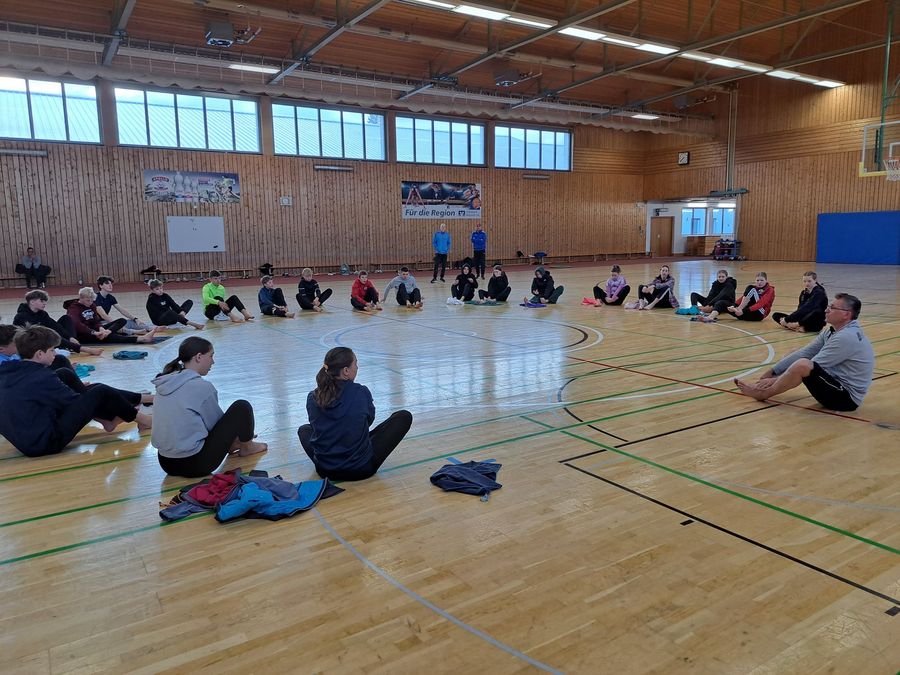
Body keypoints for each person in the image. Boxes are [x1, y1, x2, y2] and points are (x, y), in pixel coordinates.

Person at [0, 326, 152, 457]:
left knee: (65, 374)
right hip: (45, 444)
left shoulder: (8, 370)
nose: (55, 354)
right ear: (39, 354)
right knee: (101, 391)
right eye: (52, 350)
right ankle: (144, 421)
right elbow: (74, 403)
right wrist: (101, 401)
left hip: (25, 438)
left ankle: (107, 421)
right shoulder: (41, 377)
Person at [734, 293, 873, 411]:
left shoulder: (846, 337)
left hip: (845, 399)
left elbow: (813, 365)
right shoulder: (832, 331)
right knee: (794, 354)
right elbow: (805, 353)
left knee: (803, 365)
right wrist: (771, 371)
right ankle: (762, 385)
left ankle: (763, 393)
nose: (826, 310)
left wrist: (772, 381)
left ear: (846, 314)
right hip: (834, 385)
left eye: (832, 307)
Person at [151, 337, 267, 477]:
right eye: (211, 356)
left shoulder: (165, 382)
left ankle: (239, 443)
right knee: (242, 407)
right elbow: (215, 426)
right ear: (199, 357)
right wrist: (237, 437)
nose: (213, 361)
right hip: (195, 464)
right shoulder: (201, 387)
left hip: (166, 463)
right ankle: (247, 447)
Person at [297, 347, 412, 481]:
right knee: (403, 416)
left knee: (304, 430)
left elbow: (317, 426)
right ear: (346, 371)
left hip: (325, 470)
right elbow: (368, 421)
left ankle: (332, 457)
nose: (357, 367)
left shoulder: (312, 396)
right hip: (361, 469)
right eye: (355, 364)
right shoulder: (360, 392)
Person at [13, 289, 103, 355]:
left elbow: (55, 325)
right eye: (42, 301)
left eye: (45, 301)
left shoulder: (42, 313)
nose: (44, 303)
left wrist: (70, 337)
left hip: (44, 337)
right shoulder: (21, 316)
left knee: (66, 318)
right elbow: (35, 336)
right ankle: (81, 348)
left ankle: (72, 344)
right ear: (32, 302)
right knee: (51, 335)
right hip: (33, 342)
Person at [67, 287, 158, 344]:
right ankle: (141, 339)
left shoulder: (92, 305)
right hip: (84, 334)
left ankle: (107, 333)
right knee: (111, 337)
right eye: (88, 301)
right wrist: (93, 332)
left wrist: (101, 329)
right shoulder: (73, 308)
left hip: (96, 331)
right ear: (81, 298)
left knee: (121, 321)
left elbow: (96, 321)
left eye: (92, 300)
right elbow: (77, 325)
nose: (90, 303)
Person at [0, 324, 75, 371]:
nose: (20, 344)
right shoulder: (3, 364)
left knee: (60, 360)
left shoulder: (13, 354)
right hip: (25, 380)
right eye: (16, 344)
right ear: (1, 349)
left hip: (29, 373)